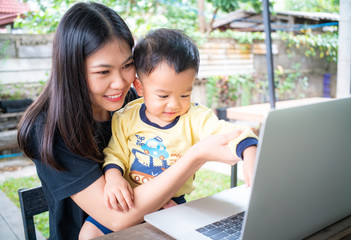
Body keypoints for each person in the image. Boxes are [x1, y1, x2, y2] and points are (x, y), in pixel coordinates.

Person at [16, 2, 254, 240]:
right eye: (103, 72)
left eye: (127, 66)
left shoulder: (130, 102)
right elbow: (115, 217)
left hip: (146, 227)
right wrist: (195, 156)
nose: (120, 83)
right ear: (73, 69)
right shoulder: (49, 128)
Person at [79, 28, 258, 239]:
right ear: (140, 86)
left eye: (185, 94)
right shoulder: (125, 116)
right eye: (163, 95)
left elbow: (233, 132)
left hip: (171, 203)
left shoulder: (195, 117)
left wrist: (250, 154)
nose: (174, 104)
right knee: (88, 234)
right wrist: (113, 177)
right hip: (129, 199)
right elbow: (114, 153)